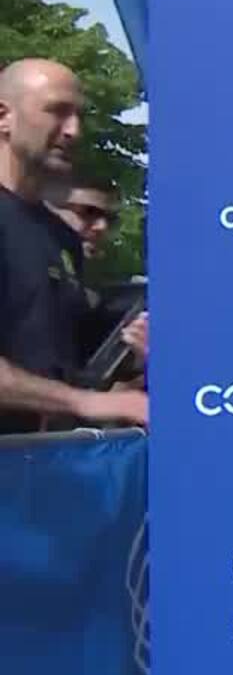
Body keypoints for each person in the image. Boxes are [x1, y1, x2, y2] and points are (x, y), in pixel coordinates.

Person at [0, 58, 146, 434]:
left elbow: (72, 370)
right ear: (4, 117)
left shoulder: (59, 236)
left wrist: (132, 360)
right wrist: (84, 402)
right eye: (57, 112)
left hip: (51, 471)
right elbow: (82, 398)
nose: (73, 130)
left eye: (79, 116)